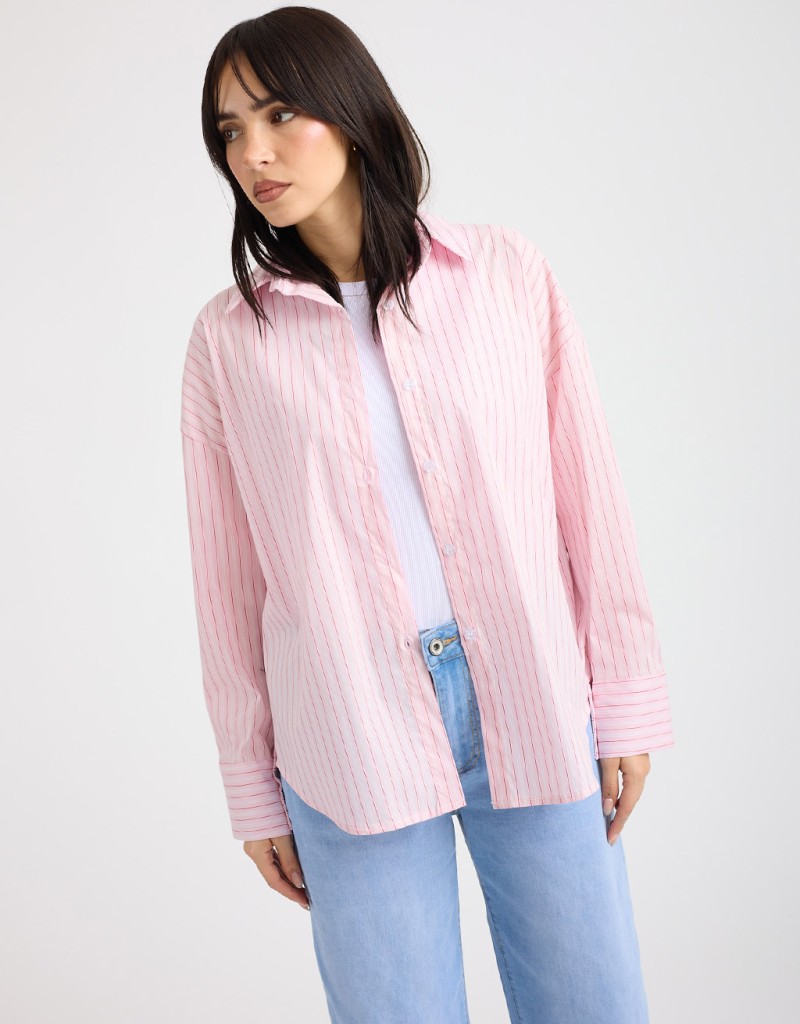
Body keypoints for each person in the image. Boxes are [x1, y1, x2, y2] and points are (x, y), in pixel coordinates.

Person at [179, 7, 675, 1023]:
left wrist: (623, 693)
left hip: (532, 694)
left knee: (593, 1003)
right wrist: (249, 781)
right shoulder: (229, 340)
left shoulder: (504, 275)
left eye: (279, 114)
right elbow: (227, 582)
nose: (253, 153)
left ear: (350, 110)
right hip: (345, 724)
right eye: (230, 130)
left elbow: (588, 497)